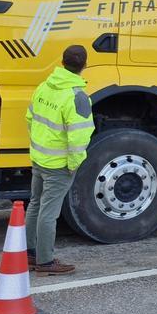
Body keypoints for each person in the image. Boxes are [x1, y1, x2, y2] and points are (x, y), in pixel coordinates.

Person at [25, 45, 94, 275]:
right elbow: (79, 136)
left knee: (35, 204)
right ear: (84, 65)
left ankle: (30, 253)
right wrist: (73, 164)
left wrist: (38, 148)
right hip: (59, 165)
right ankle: (45, 262)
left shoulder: (44, 86)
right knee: (49, 212)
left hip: (39, 158)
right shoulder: (77, 96)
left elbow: (29, 118)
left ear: (62, 62)